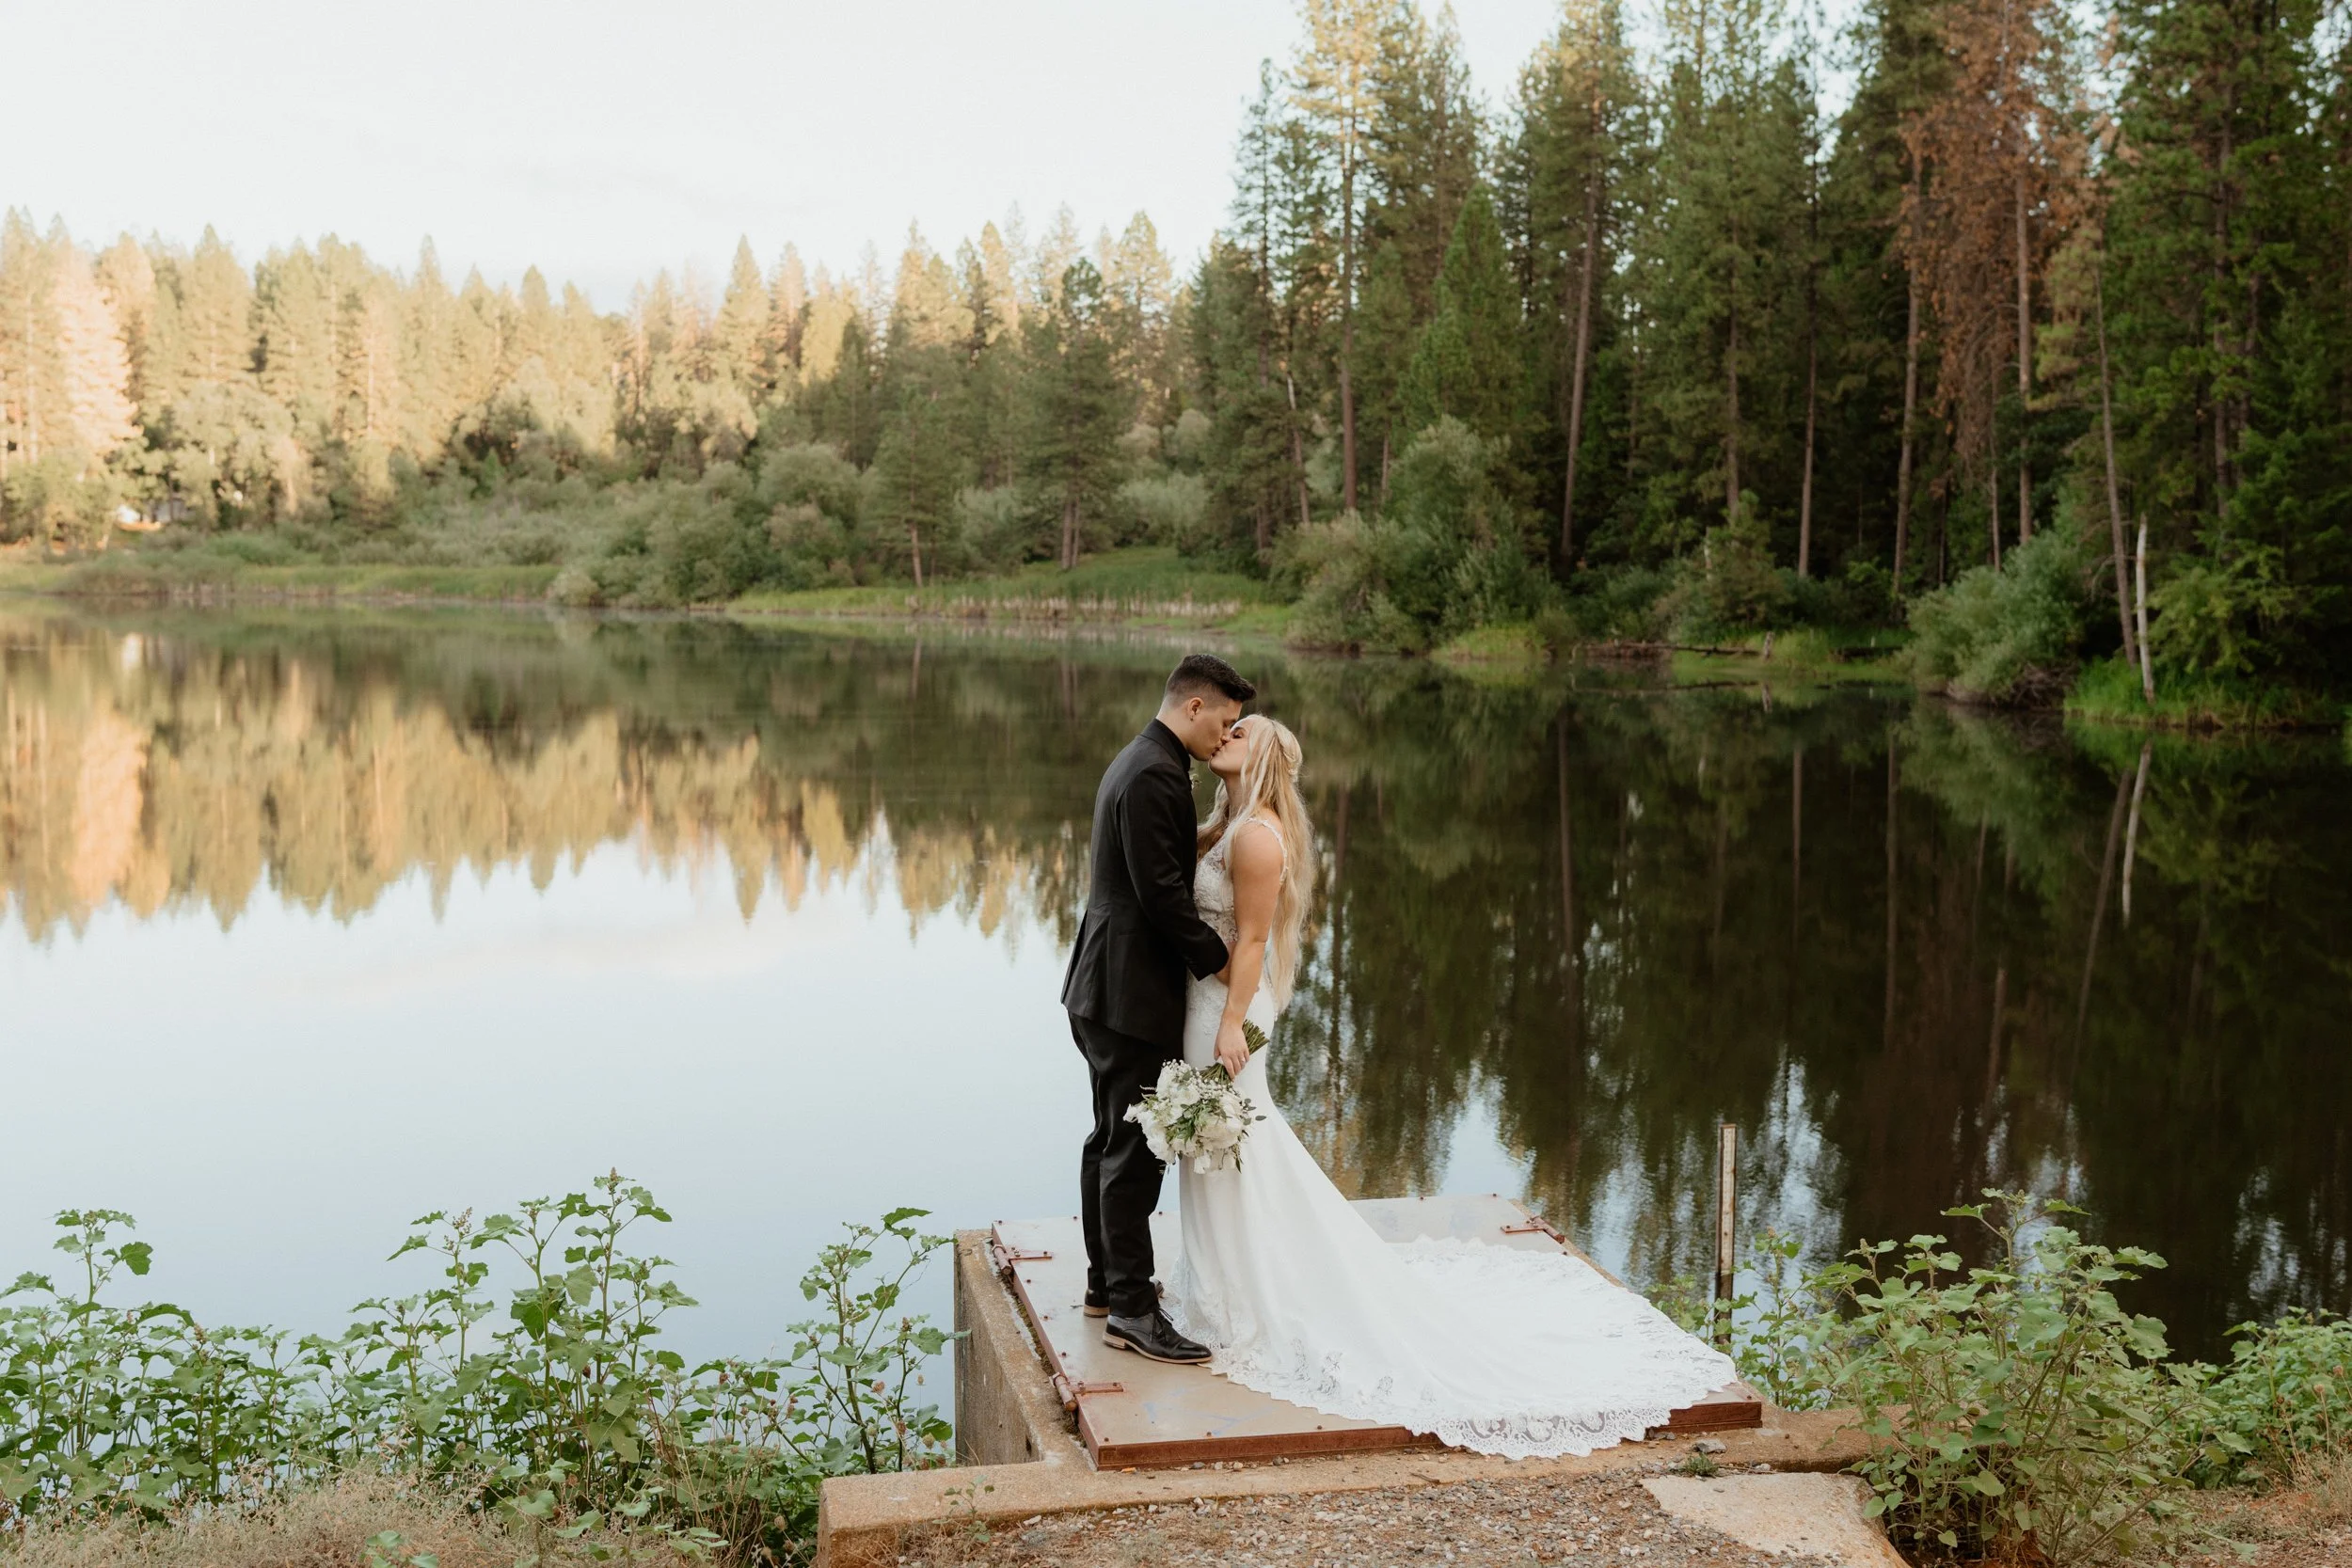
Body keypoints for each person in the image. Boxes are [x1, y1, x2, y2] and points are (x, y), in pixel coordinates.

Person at [1168, 714, 1740, 1458]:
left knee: (1236, 1143)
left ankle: (1246, 1296)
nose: (1225, 733)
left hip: (1226, 1011)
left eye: (1241, 730)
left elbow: (1251, 938)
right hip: (1207, 1001)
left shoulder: (1256, 835)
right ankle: (1220, 1287)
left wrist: (1233, 1020)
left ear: (1267, 753)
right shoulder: (1228, 821)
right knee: (1223, 1145)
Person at [1061, 652, 1255, 1364]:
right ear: (1194, 706)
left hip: (1106, 983)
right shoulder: (1153, 774)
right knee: (1134, 1150)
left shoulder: (1146, 759)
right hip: (1126, 989)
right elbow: (1163, 898)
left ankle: (1107, 1288)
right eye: (1224, 721)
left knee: (1109, 1138)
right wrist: (1227, 967)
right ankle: (1133, 1313)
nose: (1224, 736)